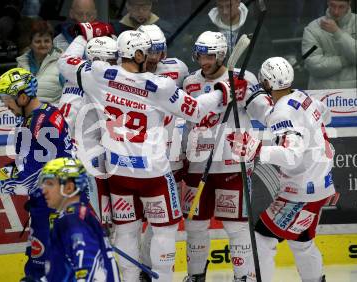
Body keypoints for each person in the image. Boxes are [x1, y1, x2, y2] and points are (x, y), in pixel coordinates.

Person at [58, 27, 242, 282]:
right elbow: (197, 111)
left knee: (126, 232)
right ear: (139, 53)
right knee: (165, 231)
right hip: (153, 174)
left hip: (117, 171)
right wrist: (223, 91)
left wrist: (83, 35)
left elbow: (65, 62)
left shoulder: (98, 74)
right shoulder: (159, 85)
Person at [233, 57, 336, 282]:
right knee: (302, 243)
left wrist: (257, 149)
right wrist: (252, 96)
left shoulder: (282, 112)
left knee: (262, 239)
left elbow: (290, 155)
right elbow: (325, 115)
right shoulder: (303, 97)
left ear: (268, 82)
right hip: (320, 185)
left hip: (300, 193)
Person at [181, 31, 272, 282]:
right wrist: (182, 153)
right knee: (195, 225)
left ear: (222, 55)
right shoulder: (190, 82)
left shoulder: (244, 78)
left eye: (209, 56)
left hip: (232, 165)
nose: (203, 62)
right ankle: (195, 276)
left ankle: (242, 277)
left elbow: (264, 111)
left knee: (236, 226)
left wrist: (253, 96)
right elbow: (188, 122)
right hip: (198, 164)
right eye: (200, 56)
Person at [0, 67, 73, 281]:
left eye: (7, 98)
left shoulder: (40, 124)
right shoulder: (41, 114)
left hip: (55, 208)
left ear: (23, 96)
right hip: (49, 204)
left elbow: (29, 177)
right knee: (38, 266)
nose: (4, 105)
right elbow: (27, 163)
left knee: (49, 271)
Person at [136, 23, 189, 282]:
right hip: (137, 159)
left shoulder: (177, 69)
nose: (155, 57)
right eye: (151, 51)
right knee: (134, 223)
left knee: (161, 222)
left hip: (171, 158)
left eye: (159, 51)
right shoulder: (126, 73)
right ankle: (138, 270)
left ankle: (148, 269)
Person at [58, 35, 118, 224]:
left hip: (101, 161)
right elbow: (64, 128)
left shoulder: (75, 80)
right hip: (90, 164)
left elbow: (66, 61)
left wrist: (82, 37)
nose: (115, 65)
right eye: (111, 60)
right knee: (100, 222)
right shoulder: (87, 87)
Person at [39, 157, 121, 282]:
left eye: (50, 183)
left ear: (69, 188)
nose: (43, 190)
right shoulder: (72, 216)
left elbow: (88, 272)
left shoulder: (74, 223)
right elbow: (63, 271)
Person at [302, 0, 357, 89]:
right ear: (327, 3)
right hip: (322, 94)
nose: (336, 11)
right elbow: (313, 65)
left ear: (349, 4)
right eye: (333, 5)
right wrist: (348, 59)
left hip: (354, 96)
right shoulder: (312, 28)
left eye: (341, 7)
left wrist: (337, 32)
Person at [17, 20, 64, 104]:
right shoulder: (22, 63)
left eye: (46, 41)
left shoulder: (62, 62)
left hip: (53, 113)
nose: (42, 45)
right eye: (38, 41)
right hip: (28, 113)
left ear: (52, 42)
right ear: (30, 43)